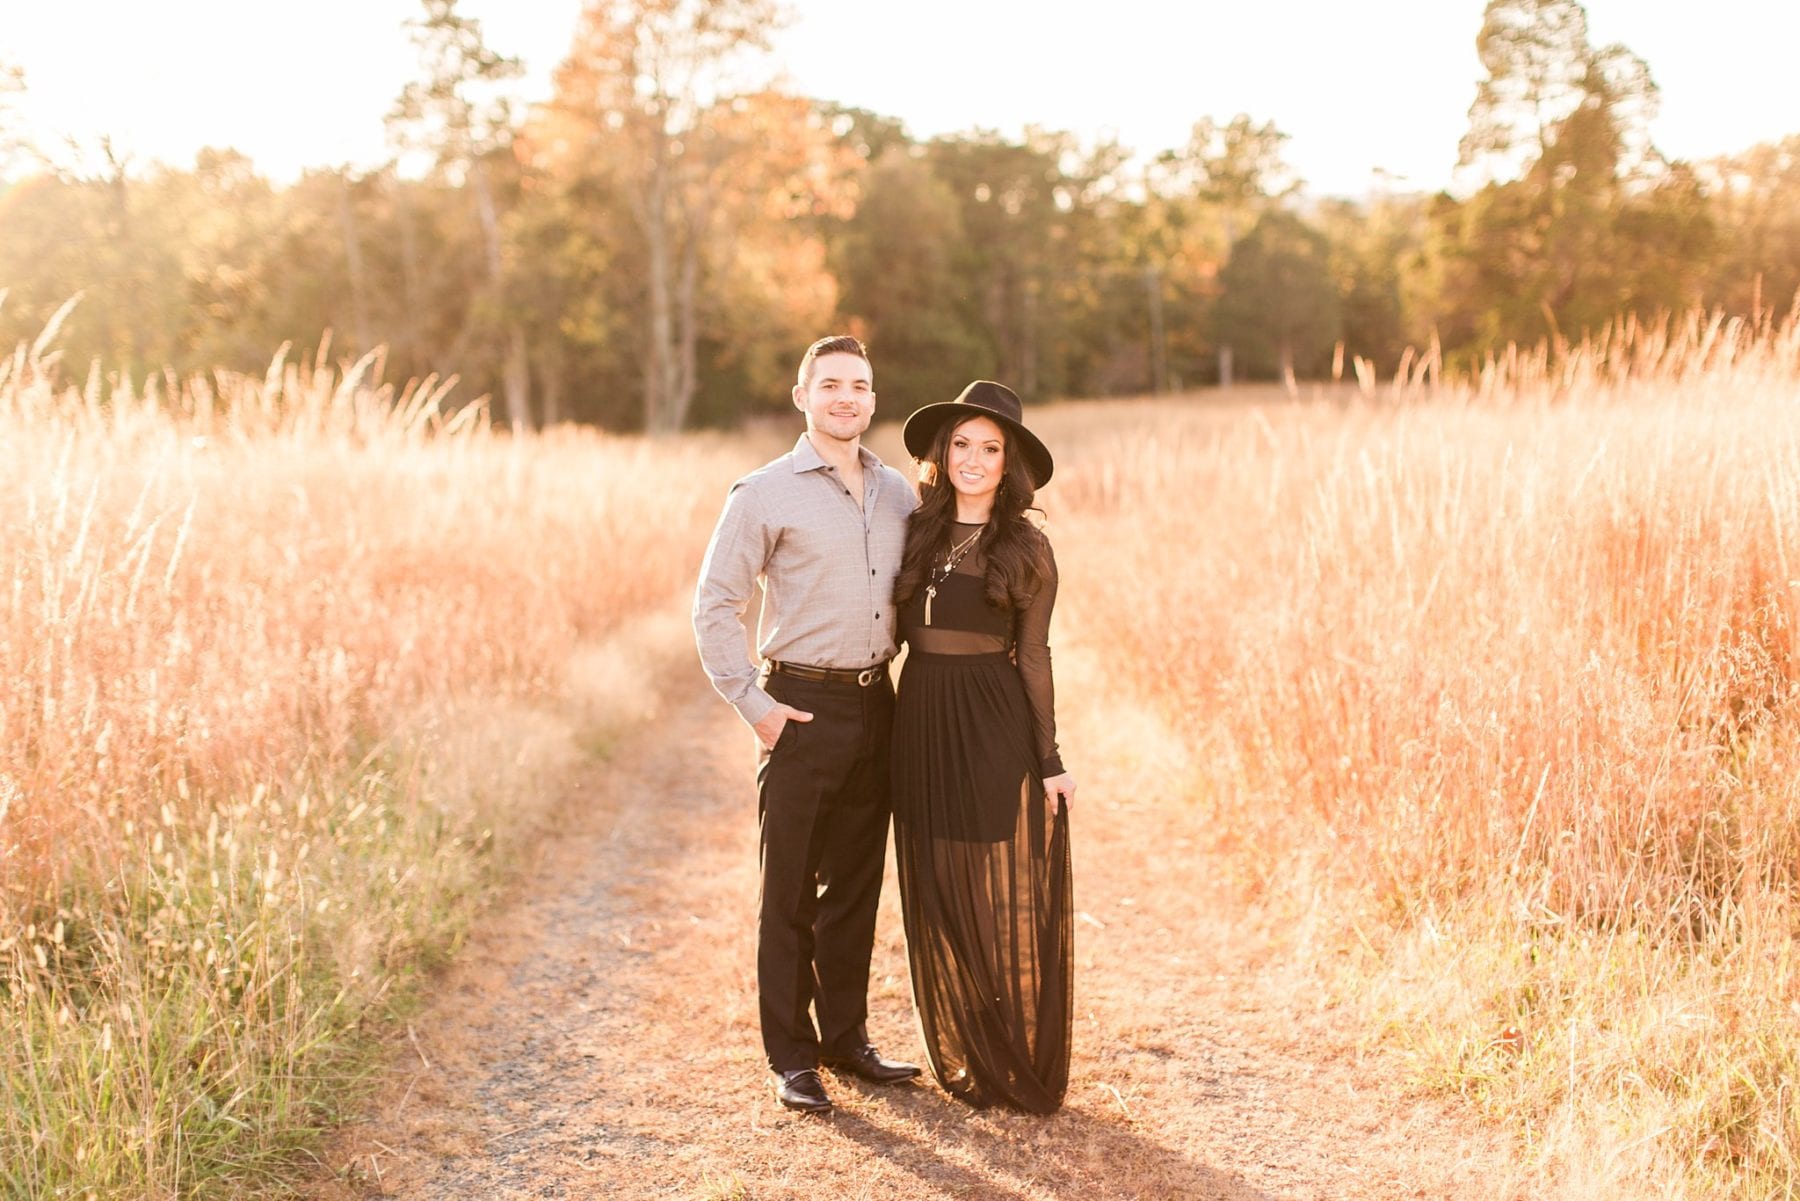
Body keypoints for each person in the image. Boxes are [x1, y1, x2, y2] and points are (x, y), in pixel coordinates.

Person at [693, 335, 923, 1115]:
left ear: (871, 396)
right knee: (789, 890)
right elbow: (714, 605)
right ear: (803, 396)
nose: (846, 397)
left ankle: (845, 1039)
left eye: (859, 384)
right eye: (830, 385)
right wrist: (756, 708)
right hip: (799, 704)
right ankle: (791, 1057)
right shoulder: (761, 492)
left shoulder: (898, 492)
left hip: (876, 703)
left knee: (855, 886)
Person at [890, 379, 1076, 1114]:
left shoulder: (1028, 548)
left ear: (1009, 465)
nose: (972, 458)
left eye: (989, 448)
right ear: (942, 454)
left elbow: (1035, 657)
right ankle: (969, 1040)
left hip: (990, 719)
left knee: (983, 882)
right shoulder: (914, 529)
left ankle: (1006, 1048)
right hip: (919, 716)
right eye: (961, 444)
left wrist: (1052, 757)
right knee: (936, 885)